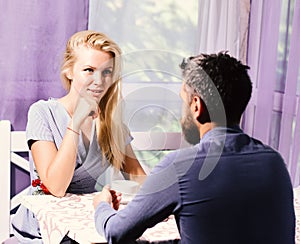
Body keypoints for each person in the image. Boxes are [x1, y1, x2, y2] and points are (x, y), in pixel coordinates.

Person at [93, 52, 295, 244]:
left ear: (196, 106)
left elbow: (116, 232)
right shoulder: (274, 163)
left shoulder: (180, 167)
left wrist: (102, 205)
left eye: (183, 102)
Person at [12, 30, 146, 243]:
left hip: (86, 222)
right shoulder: (42, 112)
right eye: (89, 70)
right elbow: (56, 187)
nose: (99, 81)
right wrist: (75, 124)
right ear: (69, 71)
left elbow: (140, 178)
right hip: (44, 227)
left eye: (106, 72)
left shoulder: (112, 122)